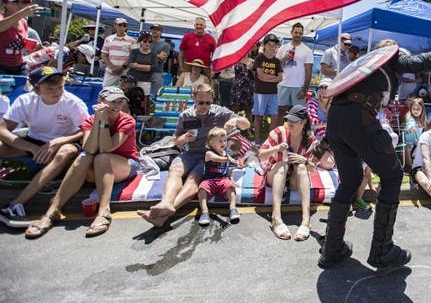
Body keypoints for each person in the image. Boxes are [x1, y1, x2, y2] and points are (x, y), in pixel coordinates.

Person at [316, 39, 431, 270]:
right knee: (393, 176)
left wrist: (324, 142)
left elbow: (343, 109)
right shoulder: (391, 59)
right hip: (359, 119)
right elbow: (419, 62)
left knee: (351, 180)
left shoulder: (365, 71)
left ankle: (332, 249)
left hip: (338, 119)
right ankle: (382, 250)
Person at [24, 87, 139, 238]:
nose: (117, 105)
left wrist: (103, 122)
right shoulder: (90, 121)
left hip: (125, 164)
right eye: (112, 102)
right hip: (98, 165)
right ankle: (52, 211)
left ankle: (104, 211)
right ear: (100, 102)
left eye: (120, 101)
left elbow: (107, 148)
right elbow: (89, 148)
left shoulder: (127, 120)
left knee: (102, 157)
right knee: (84, 157)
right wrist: (98, 120)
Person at [137, 84, 250, 227]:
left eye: (208, 102)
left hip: (210, 155)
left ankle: (165, 213)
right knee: (175, 170)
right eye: (200, 102)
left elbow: (246, 125)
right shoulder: (185, 115)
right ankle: (166, 202)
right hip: (190, 153)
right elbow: (176, 141)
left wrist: (236, 120)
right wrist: (184, 138)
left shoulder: (220, 112)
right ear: (193, 98)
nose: (204, 106)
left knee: (192, 179)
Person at [0, 67, 89, 228]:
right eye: (50, 88)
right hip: (34, 141)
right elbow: (2, 129)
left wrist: (59, 141)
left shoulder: (72, 102)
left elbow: (86, 129)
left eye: (60, 87)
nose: (57, 92)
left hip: (66, 141)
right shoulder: (25, 101)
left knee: (66, 151)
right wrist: (31, 148)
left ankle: (17, 203)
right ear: (37, 90)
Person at [259, 105, 317, 241]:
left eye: (294, 120)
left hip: (293, 180)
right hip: (275, 175)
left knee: (302, 167)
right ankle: (276, 217)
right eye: (288, 119)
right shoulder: (279, 132)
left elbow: (313, 168)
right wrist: (276, 148)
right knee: (282, 165)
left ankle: (306, 219)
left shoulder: (310, 140)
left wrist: (305, 161)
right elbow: (261, 155)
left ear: (303, 122)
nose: (289, 122)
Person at [197, 127, 240, 226]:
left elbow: (227, 168)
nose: (223, 143)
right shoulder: (209, 153)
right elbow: (216, 159)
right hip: (209, 179)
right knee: (202, 189)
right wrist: (227, 159)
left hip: (222, 179)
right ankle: (204, 211)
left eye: (225, 140)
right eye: (220, 141)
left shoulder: (226, 153)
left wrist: (232, 179)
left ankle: (233, 208)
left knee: (230, 188)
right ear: (211, 143)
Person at [276, 22, 313, 119]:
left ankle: (298, 133)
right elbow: (276, 66)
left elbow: (308, 72)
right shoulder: (283, 48)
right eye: (296, 32)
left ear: (302, 34)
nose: (298, 35)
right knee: (280, 111)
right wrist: (283, 59)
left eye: (300, 33)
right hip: (283, 84)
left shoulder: (307, 50)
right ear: (291, 32)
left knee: (299, 113)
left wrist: (305, 89)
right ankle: (278, 132)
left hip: (298, 86)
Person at [0, 0, 42, 75]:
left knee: (24, 87)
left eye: (23, 3)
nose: (20, 5)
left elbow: (20, 42)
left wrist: (31, 46)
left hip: (19, 65)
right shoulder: (1, 17)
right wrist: (21, 14)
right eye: (16, 2)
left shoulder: (23, 22)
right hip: (1, 65)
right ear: (5, 4)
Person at [252, 34, 283, 145]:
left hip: (273, 93)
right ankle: (256, 141)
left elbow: (280, 77)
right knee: (258, 116)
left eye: (274, 45)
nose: (271, 47)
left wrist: (267, 78)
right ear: (264, 45)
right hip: (260, 92)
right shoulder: (259, 58)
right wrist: (273, 78)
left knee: (274, 116)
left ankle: (269, 141)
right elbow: (260, 75)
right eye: (269, 44)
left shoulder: (277, 61)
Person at [101, 18, 137, 87]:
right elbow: (104, 54)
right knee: (106, 90)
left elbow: (133, 56)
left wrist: (122, 67)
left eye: (124, 25)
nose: (122, 27)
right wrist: (112, 67)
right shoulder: (108, 39)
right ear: (115, 26)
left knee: (125, 91)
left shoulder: (132, 40)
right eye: (120, 25)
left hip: (125, 72)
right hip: (111, 72)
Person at [231, 46, 257, 133]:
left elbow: (255, 76)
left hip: (249, 88)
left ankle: (249, 129)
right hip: (237, 87)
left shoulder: (252, 61)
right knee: (235, 108)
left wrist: (253, 69)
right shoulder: (235, 60)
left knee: (248, 109)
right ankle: (233, 128)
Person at [403, 97, 427, 169]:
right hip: (410, 142)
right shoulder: (410, 117)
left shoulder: (421, 119)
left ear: (422, 109)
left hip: (418, 143)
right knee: (411, 165)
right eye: (414, 109)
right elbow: (411, 124)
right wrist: (411, 129)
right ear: (411, 109)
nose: (415, 111)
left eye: (418, 109)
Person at [148, 24, 170, 96]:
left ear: (161, 32)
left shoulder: (165, 45)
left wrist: (147, 54)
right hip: (144, 72)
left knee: (157, 95)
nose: (154, 31)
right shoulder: (146, 43)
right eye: (153, 29)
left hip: (157, 72)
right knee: (142, 94)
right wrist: (157, 56)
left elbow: (161, 59)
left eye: (157, 30)